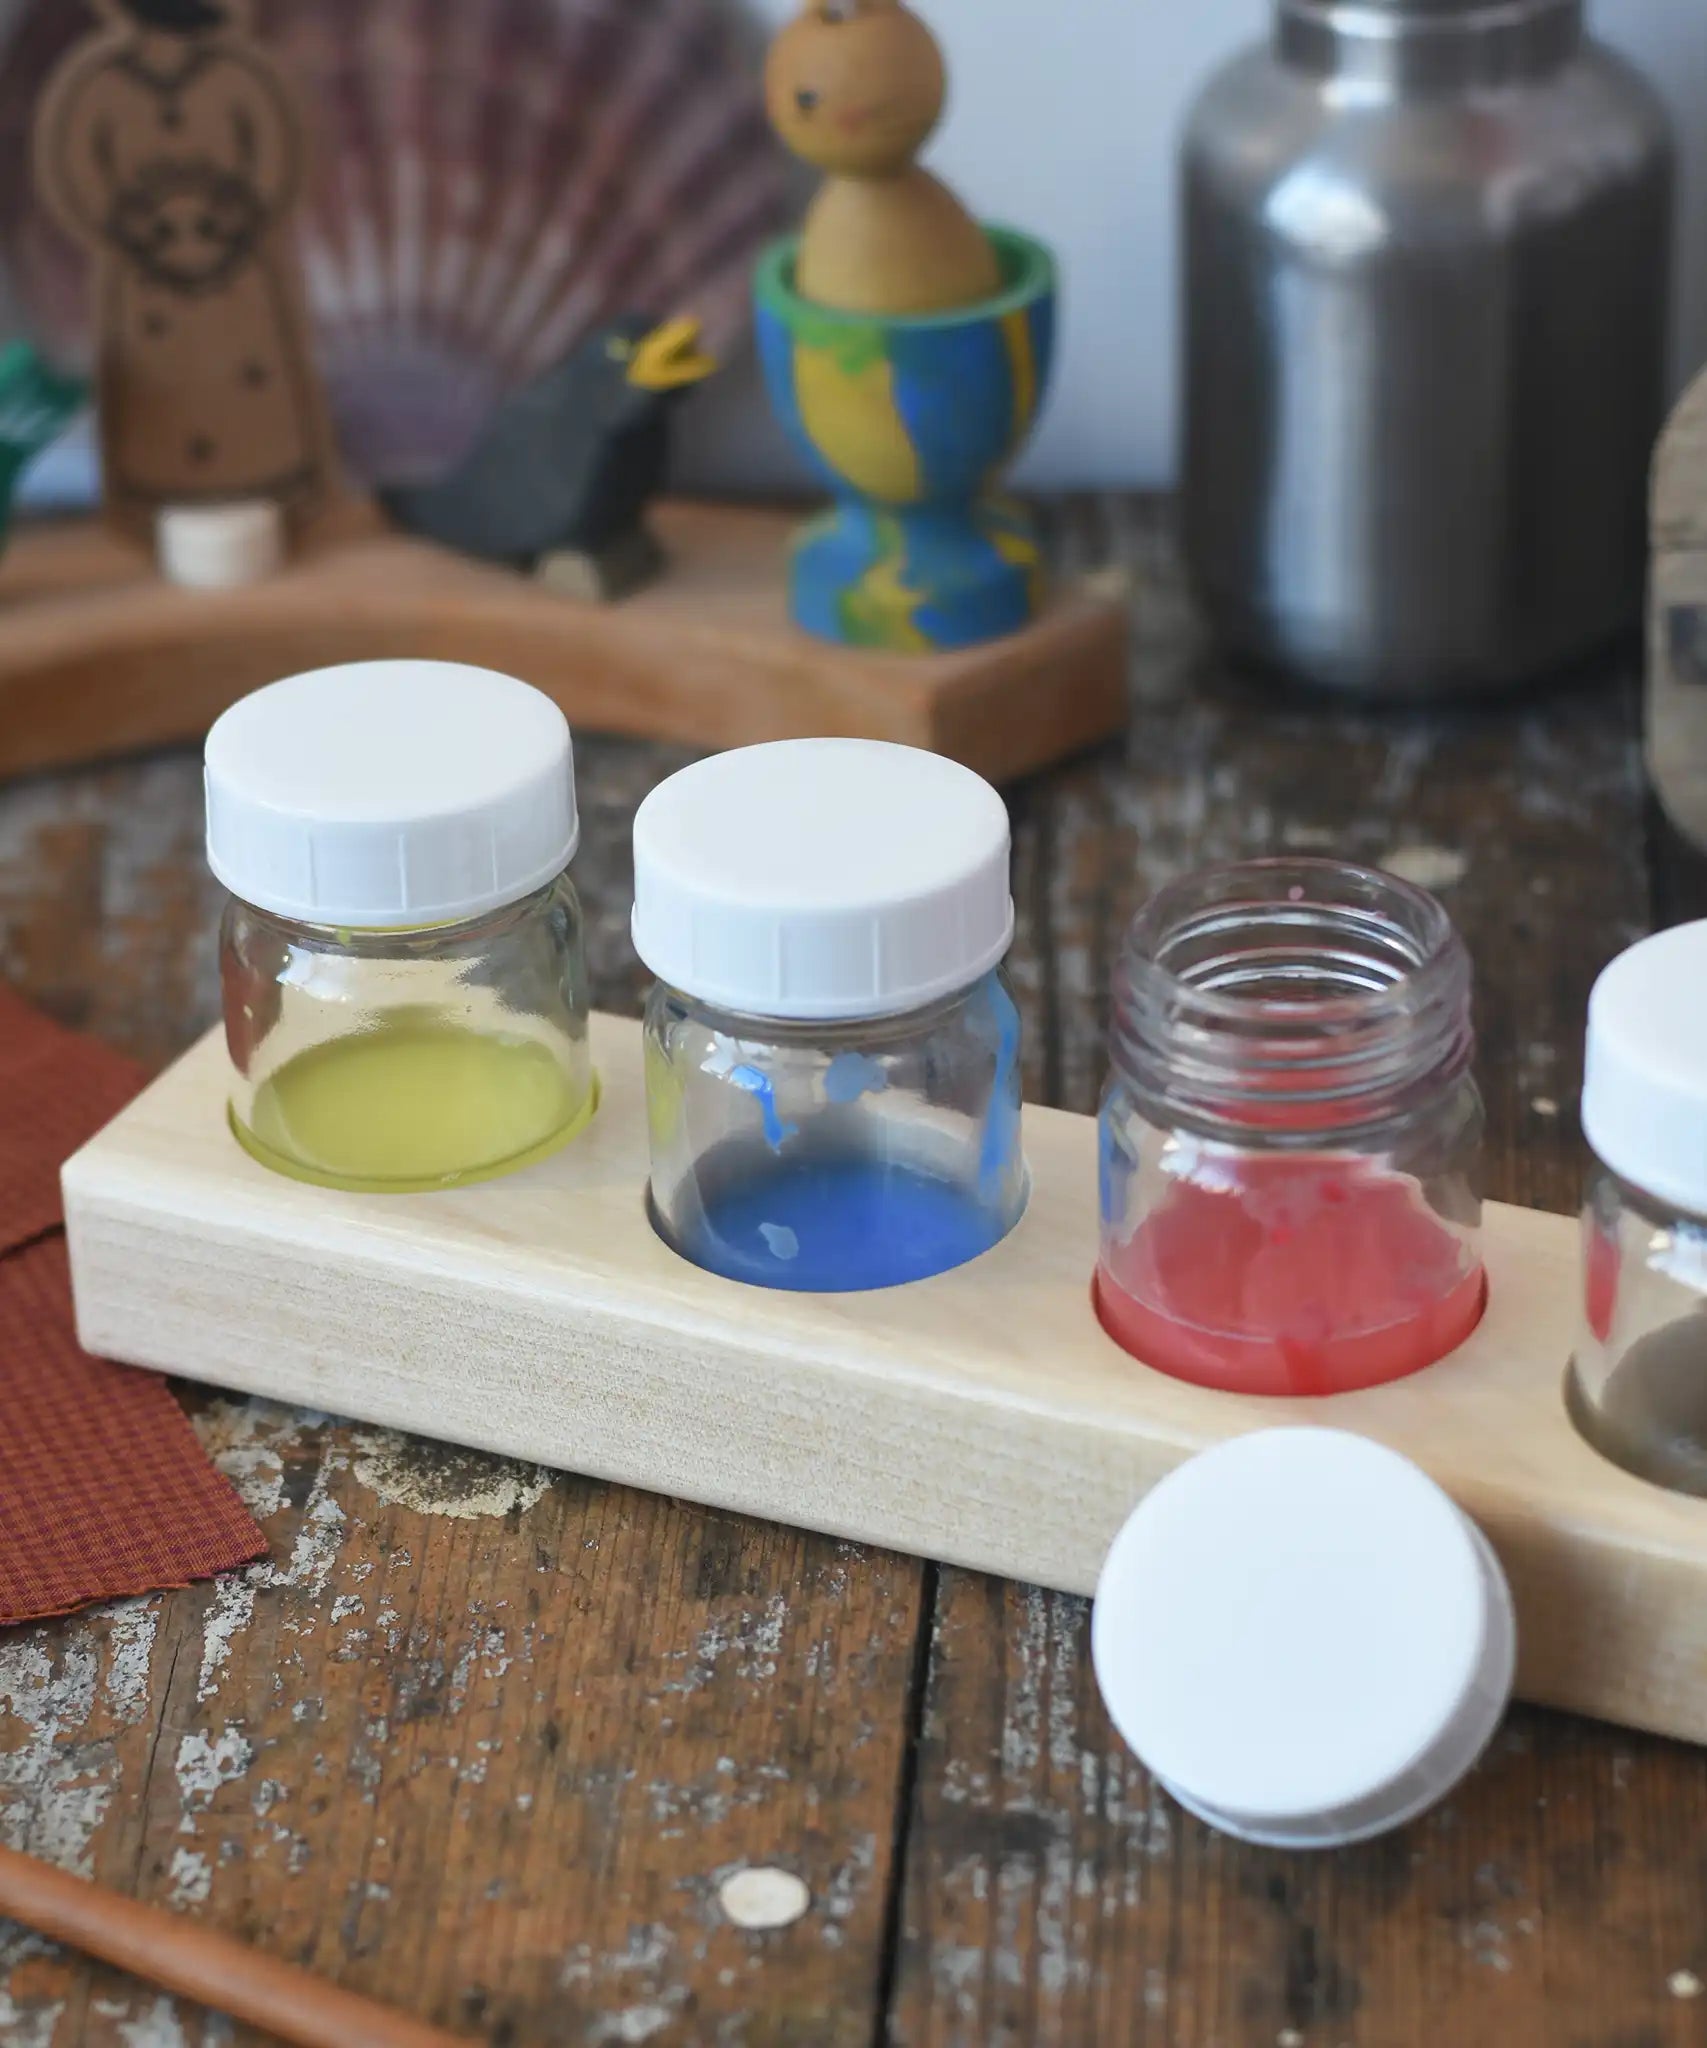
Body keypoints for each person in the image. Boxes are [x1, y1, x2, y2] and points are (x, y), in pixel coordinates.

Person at [34, 0, 334, 533]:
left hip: (236, 276)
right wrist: (135, 232)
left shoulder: (238, 78)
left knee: (246, 384)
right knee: (163, 393)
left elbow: (271, 159)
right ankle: (155, 483)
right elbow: (81, 176)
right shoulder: (101, 87)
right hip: (148, 283)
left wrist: (235, 225)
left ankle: (271, 473)